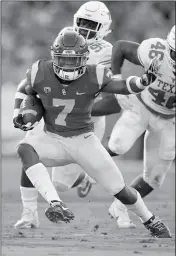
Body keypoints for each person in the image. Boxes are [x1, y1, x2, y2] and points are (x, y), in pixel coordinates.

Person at [13, 29, 171, 238]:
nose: (68, 66)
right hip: (51, 135)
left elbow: (120, 86)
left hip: (83, 141)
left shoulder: (95, 73)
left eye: (73, 60)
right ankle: (55, 203)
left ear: (84, 59)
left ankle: (150, 219)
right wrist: (19, 113)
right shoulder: (40, 71)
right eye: (63, 60)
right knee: (25, 148)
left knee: (120, 190)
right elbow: (26, 89)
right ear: (54, 56)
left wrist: (141, 82)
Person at [14, 1, 122, 230]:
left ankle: (84, 176)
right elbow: (39, 78)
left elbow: (111, 98)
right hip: (54, 115)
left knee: (61, 184)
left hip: (86, 123)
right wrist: (24, 108)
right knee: (30, 151)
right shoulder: (66, 37)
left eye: (91, 24)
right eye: (82, 21)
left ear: (103, 28)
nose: (84, 27)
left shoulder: (106, 52)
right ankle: (29, 214)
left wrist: (76, 106)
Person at [92, 25, 175, 229]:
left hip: (167, 119)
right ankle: (84, 164)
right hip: (141, 107)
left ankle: (120, 205)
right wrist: (117, 79)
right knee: (118, 144)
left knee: (155, 178)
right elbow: (120, 47)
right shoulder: (156, 51)